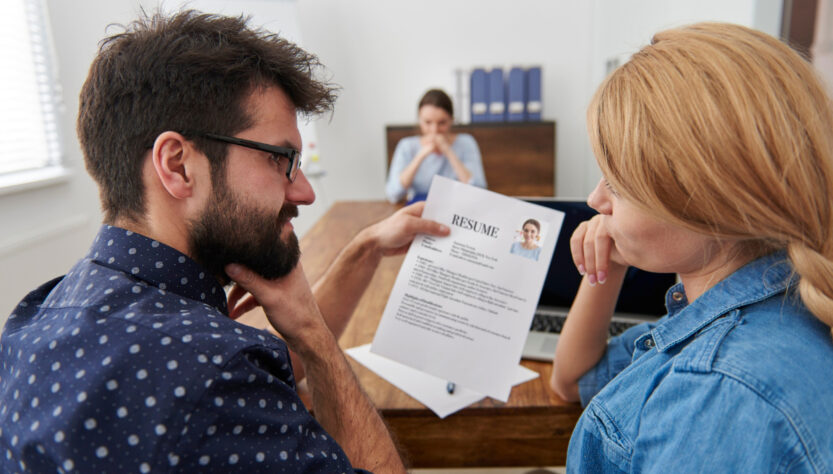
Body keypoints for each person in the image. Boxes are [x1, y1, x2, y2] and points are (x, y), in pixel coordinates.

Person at [0, 10, 451, 473]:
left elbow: (268, 368)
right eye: (281, 159)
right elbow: (226, 378)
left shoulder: (38, 314)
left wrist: (363, 251)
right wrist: (317, 338)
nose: (304, 192)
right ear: (178, 165)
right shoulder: (213, 375)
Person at [549, 23, 833, 471]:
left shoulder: (721, 389)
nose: (595, 201)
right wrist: (608, 269)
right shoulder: (764, 295)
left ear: (710, 200)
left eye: (618, 185)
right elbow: (572, 380)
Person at [385, 89, 487, 203]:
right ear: (419, 121)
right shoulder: (407, 146)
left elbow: (478, 191)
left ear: (451, 120)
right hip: (419, 207)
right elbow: (393, 194)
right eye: (428, 122)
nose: (434, 130)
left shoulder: (466, 142)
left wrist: (448, 151)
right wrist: (421, 155)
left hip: (455, 207)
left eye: (442, 123)